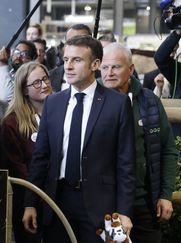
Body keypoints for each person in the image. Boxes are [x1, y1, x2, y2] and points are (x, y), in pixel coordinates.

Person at [22, 35, 136, 243]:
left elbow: (126, 162)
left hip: (102, 207)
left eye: (76, 60)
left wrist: (124, 211)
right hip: (57, 201)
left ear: (95, 64)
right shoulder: (53, 103)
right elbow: (41, 158)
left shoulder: (117, 104)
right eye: (66, 60)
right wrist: (30, 203)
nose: (68, 66)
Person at [101, 43, 177, 243]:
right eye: (104, 67)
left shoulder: (149, 101)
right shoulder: (92, 101)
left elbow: (168, 149)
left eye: (116, 67)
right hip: (106, 204)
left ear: (131, 69)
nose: (109, 73)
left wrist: (166, 194)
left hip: (144, 202)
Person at [0, 62, 52, 243]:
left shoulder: (60, 113)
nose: (44, 85)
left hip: (58, 198)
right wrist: (32, 201)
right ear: (24, 90)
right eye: (37, 82)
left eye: (45, 79)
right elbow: (17, 168)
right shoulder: (12, 123)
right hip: (29, 202)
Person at [49, 24, 92, 92]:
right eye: (70, 42)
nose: (75, 47)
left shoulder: (102, 77)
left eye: (81, 42)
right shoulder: (50, 76)